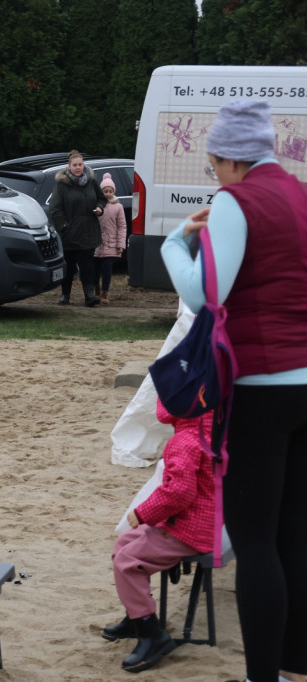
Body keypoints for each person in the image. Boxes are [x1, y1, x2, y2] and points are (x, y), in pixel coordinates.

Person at [161, 99, 307, 682]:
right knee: (297, 532)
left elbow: (205, 296)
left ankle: (262, 675)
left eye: (214, 164)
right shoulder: (299, 193)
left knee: (254, 541)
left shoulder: (234, 200)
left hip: (260, 387)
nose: (214, 175)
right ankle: (298, 663)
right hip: (306, 381)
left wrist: (176, 244)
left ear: (231, 159)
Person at [102, 401, 215, 673]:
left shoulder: (185, 440)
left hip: (191, 529)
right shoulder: (206, 429)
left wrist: (144, 512)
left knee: (128, 560)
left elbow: (178, 493)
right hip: (199, 520)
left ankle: (152, 633)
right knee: (125, 543)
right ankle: (136, 616)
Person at [49, 150, 106, 306]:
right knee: (68, 266)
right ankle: (65, 294)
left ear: (84, 165)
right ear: (69, 166)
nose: (78, 167)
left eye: (80, 164)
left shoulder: (92, 181)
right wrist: (64, 225)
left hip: (88, 231)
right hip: (69, 233)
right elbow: (55, 208)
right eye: (75, 165)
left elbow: (101, 198)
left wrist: (100, 208)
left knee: (87, 266)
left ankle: (89, 295)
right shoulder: (62, 185)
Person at [93, 172, 126, 303]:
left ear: (113, 191)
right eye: (105, 191)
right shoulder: (96, 205)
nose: (107, 193)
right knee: (95, 270)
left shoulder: (118, 207)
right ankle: (96, 287)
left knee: (107, 270)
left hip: (111, 245)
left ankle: (105, 293)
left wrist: (121, 244)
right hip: (96, 244)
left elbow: (122, 226)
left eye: (110, 191)